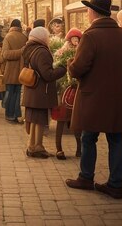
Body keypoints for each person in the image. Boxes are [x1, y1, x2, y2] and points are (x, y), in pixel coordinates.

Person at [65, 0, 122, 200]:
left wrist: (70, 65)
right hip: (117, 97)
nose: (87, 13)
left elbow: (78, 68)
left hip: (93, 97)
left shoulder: (90, 36)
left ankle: (86, 177)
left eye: (88, 10)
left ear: (93, 12)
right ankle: (116, 185)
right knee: (116, 140)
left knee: (89, 137)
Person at [22, 27, 67, 158]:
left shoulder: (29, 49)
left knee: (35, 119)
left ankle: (33, 145)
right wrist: (62, 69)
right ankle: (37, 147)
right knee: (40, 119)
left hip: (32, 90)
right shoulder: (42, 51)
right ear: (42, 37)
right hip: (40, 91)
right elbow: (47, 74)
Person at [53, 28, 83, 160]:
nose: (76, 41)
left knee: (76, 121)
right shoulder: (62, 52)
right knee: (61, 120)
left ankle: (79, 149)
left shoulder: (82, 52)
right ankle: (59, 148)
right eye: (73, 39)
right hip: (64, 90)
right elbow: (58, 67)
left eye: (78, 39)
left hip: (76, 90)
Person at [1, 19, 27, 124]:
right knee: (17, 95)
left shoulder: (8, 37)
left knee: (10, 93)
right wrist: (21, 52)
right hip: (22, 70)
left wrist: (18, 52)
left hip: (11, 70)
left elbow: (5, 54)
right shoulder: (24, 37)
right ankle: (16, 115)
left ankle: (9, 114)